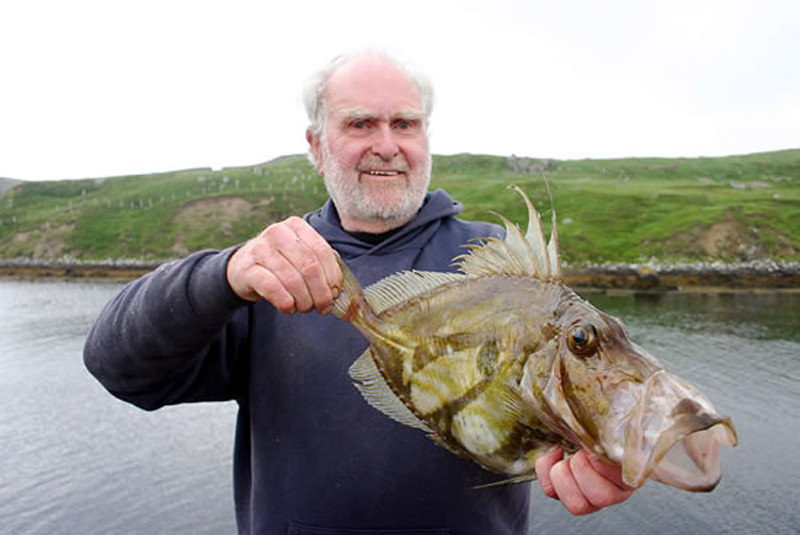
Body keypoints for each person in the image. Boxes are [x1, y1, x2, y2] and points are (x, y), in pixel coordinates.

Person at [84, 51, 636, 535]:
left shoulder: (498, 267)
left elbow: (591, 389)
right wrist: (223, 273)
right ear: (316, 145)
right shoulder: (269, 271)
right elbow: (118, 366)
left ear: (426, 137)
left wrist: (612, 457)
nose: (387, 146)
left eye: (406, 123)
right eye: (360, 124)